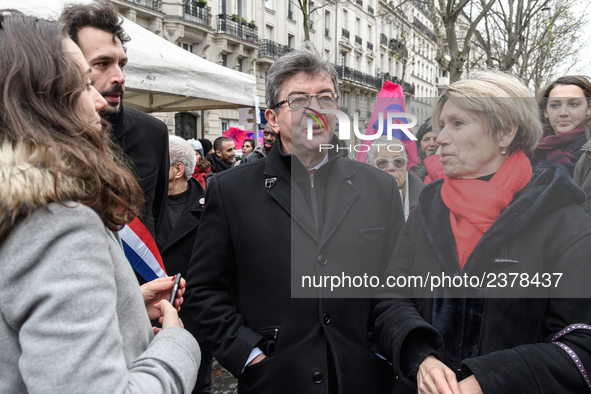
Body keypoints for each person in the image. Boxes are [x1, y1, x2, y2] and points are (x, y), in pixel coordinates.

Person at [185, 42, 404, 394]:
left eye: (326, 98)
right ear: (272, 118)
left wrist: (380, 353)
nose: (315, 110)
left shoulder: (379, 188)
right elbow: (204, 289)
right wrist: (249, 354)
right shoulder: (231, 191)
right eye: (299, 100)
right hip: (274, 381)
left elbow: (397, 284)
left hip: (362, 379)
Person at [0, 13, 199, 392]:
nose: (97, 101)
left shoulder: (20, 200)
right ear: (40, 99)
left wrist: (125, 304)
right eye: (83, 82)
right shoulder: (56, 218)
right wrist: (177, 343)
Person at [374, 71, 591, 393]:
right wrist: (420, 356)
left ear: (505, 132)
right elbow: (391, 299)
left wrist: (488, 380)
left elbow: (581, 342)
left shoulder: (562, 220)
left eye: (457, 123)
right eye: (442, 124)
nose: (441, 137)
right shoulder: (427, 212)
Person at [61, 0, 169, 241]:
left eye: (121, 64)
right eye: (102, 64)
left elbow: (158, 216)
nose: (120, 77)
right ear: (71, 66)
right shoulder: (49, 135)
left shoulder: (153, 132)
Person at [157, 136, 212, 394]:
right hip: (151, 310)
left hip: (194, 313)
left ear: (178, 170)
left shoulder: (212, 204)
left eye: (160, 161)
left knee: (196, 383)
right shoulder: (143, 204)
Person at [533, 75, 591, 177]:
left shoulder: (587, 153)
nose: (563, 113)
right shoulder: (530, 149)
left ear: (589, 109)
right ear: (545, 111)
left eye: (573, 104)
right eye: (555, 105)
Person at [367, 136, 424, 220]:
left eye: (398, 162)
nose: (391, 167)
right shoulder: (359, 202)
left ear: (406, 167)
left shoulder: (424, 201)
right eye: (382, 162)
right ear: (370, 168)